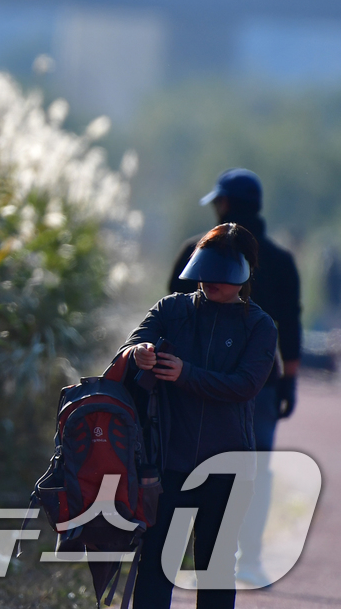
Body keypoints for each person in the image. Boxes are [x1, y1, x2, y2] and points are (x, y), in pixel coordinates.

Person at [119, 224, 278, 609]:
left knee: (216, 569)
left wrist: (185, 374)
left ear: (244, 274)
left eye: (221, 275)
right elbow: (128, 347)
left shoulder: (259, 326)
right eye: (205, 273)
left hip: (227, 469)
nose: (210, 282)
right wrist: (138, 352)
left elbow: (245, 385)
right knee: (157, 564)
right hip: (169, 465)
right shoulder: (171, 309)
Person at [169, 168, 300, 586]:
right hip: (260, 383)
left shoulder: (195, 251)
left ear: (224, 204)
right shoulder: (279, 259)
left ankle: (181, 555)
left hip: (191, 381)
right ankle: (248, 558)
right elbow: (290, 324)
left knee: (184, 466)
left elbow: (172, 310)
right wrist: (289, 380)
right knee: (252, 470)